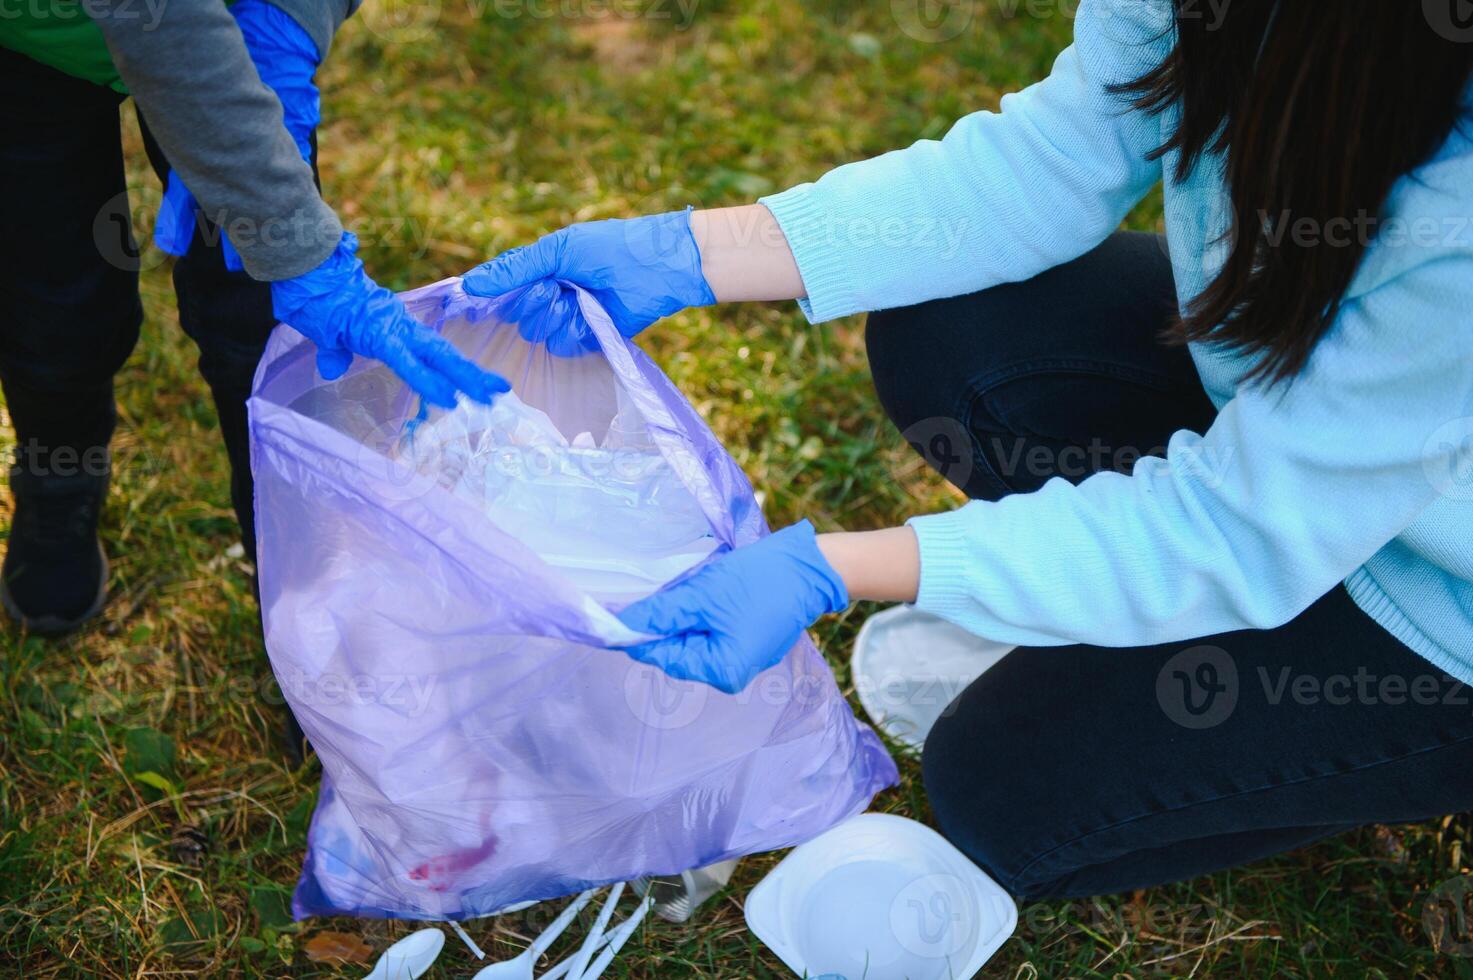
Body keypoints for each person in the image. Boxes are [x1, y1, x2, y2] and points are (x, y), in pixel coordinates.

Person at [464, 0, 1473, 898]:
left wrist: (841, 565)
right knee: (952, 333)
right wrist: (696, 249)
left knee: (999, 792)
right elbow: (1054, 155)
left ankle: (1365, 729)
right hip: (1288, 429)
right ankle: (1083, 599)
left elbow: (1238, 526)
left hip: (1433, 599)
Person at [0, 0, 507, 635]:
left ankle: (304, 576)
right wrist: (290, 237)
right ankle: (60, 475)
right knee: (50, 300)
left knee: (259, 319)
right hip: (28, 38)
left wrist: (288, 23)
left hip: (235, 30)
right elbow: (161, 23)